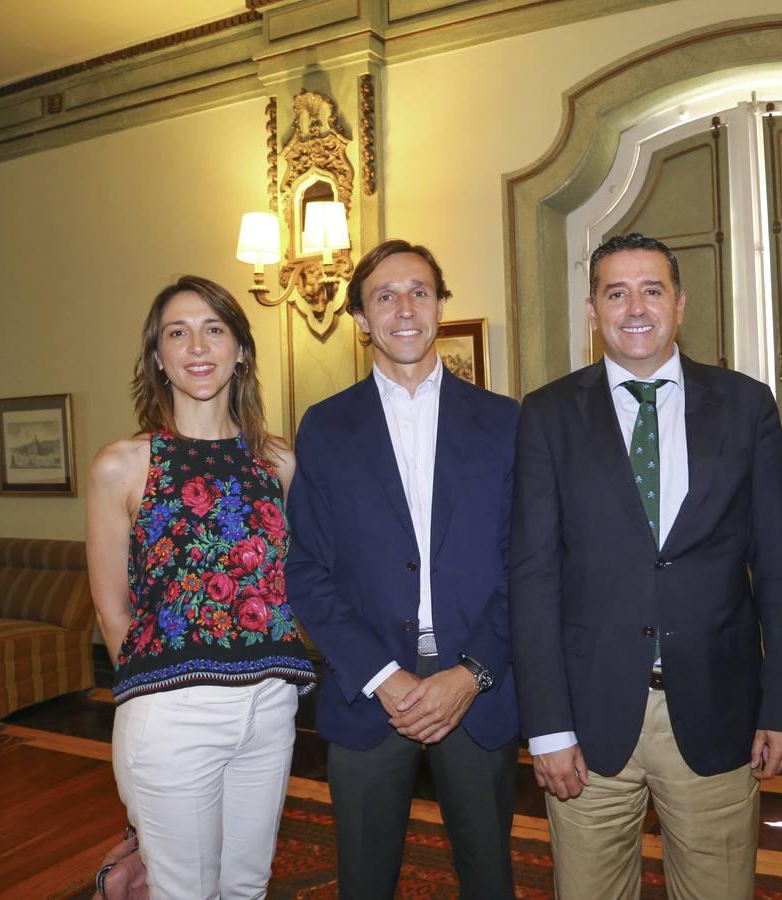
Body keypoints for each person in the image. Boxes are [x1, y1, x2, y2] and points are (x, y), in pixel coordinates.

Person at [510, 233, 782, 899]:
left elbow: (779, 568)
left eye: (652, 290)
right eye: (616, 292)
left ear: (680, 303)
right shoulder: (548, 415)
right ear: (593, 311)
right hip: (588, 720)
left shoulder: (746, 404)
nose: (635, 307)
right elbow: (532, 578)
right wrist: (548, 726)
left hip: (719, 710)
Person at [285, 240, 519, 899]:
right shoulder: (326, 428)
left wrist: (470, 674)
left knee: (489, 879)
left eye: (420, 291)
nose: (404, 308)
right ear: (361, 318)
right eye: (384, 296)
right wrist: (383, 677)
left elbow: (524, 566)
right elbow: (307, 570)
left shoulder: (505, 422)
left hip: (478, 689)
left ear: (442, 305)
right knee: (363, 881)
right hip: (368, 692)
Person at [86, 275, 316, 899]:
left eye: (214, 329)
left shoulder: (278, 463)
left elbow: (291, 579)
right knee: (184, 890)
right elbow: (112, 611)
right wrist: (155, 699)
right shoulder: (124, 465)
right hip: (172, 710)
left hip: (271, 703)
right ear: (157, 357)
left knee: (247, 886)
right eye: (177, 333)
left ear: (241, 348)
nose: (197, 346)